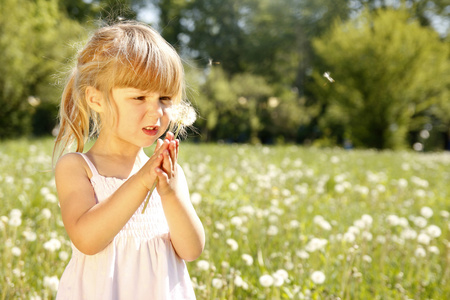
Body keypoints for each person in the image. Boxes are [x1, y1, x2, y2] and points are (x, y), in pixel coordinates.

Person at [53, 21, 205, 299]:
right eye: (139, 97)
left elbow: (191, 250)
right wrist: (141, 181)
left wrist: (169, 193)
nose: (156, 111)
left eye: (165, 98)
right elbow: (87, 240)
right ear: (96, 99)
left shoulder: (170, 175)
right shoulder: (78, 168)